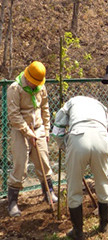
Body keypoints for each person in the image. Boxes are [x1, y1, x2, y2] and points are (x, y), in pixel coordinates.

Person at [52, 96, 108, 239]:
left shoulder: (70, 103)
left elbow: (57, 130)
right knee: (103, 181)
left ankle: (78, 232)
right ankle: (104, 225)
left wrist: (65, 146)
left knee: (74, 186)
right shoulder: (100, 105)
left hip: (79, 138)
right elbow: (105, 125)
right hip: (102, 138)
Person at [6, 61, 57, 217]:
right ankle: (13, 202)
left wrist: (46, 129)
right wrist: (28, 132)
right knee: (20, 165)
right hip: (20, 132)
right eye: (33, 83)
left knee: (44, 161)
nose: (36, 86)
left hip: (39, 129)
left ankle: (49, 193)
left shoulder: (41, 88)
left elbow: (45, 109)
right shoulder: (15, 89)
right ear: (27, 77)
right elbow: (14, 116)